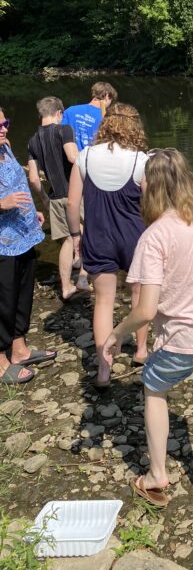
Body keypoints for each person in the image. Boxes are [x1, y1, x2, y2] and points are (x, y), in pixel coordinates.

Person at [102, 149, 193, 507]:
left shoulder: (154, 236)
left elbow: (146, 310)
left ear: (148, 186)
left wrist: (115, 334)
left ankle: (157, 474)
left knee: (153, 389)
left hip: (187, 336)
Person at [67, 103, 148, 387]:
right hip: (134, 238)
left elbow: (72, 203)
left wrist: (76, 235)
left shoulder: (85, 156)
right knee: (139, 295)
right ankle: (140, 351)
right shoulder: (141, 160)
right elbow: (151, 206)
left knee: (103, 302)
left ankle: (104, 368)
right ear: (134, 126)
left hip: (98, 237)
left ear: (106, 124)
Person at [0, 108, 56, 384]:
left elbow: (18, 183)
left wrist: (30, 212)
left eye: (5, 123)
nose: (4, 129)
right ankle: (0, 362)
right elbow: (6, 196)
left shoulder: (5, 149)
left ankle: (19, 349)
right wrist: (2, 204)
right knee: (3, 301)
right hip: (2, 244)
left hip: (23, 234)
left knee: (23, 294)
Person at [27, 96, 89, 300]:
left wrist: (45, 199)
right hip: (75, 193)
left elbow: (34, 179)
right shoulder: (64, 130)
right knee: (87, 232)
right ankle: (82, 278)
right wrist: (93, 157)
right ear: (59, 113)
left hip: (54, 196)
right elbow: (73, 157)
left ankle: (65, 287)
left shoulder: (33, 141)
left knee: (68, 241)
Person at [62, 81, 118, 151]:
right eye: (111, 99)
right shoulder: (106, 118)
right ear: (107, 96)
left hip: (69, 155)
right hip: (90, 159)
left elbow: (60, 131)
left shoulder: (70, 110)